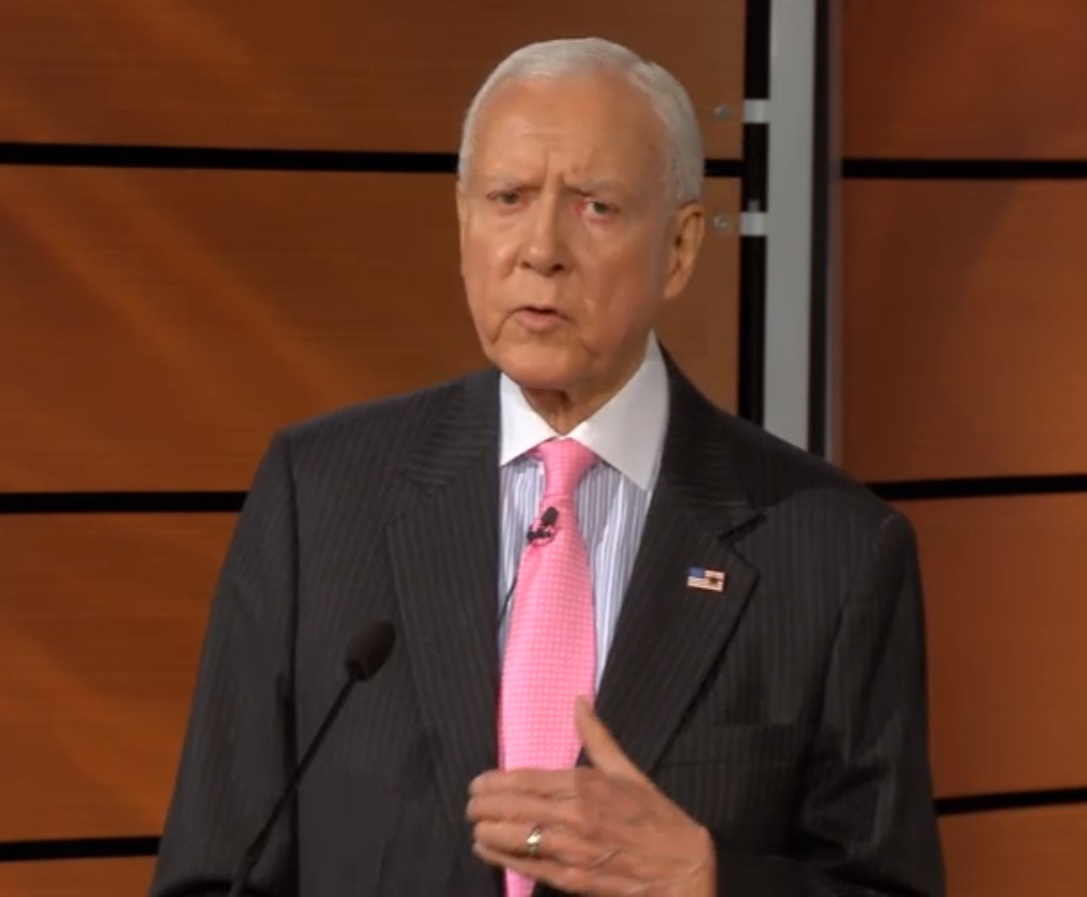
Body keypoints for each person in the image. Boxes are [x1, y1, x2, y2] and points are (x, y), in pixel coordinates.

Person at [150, 37, 944, 896]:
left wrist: (707, 880)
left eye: (595, 206)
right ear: (464, 224)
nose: (540, 249)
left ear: (680, 247)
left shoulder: (832, 551)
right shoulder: (318, 498)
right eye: (508, 198)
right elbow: (212, 874)